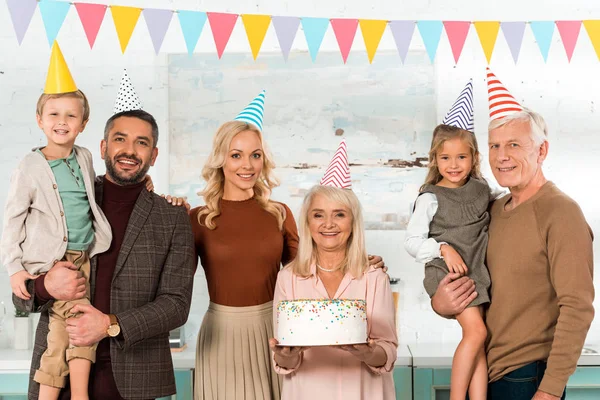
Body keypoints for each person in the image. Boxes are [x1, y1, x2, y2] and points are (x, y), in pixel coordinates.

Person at [190, 92, 385, 400]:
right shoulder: (198, 218)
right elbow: (173, 280)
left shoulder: (278, 213)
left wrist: (359, 260)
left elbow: (310, 267)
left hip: (278, 332)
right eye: (236, 155)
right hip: (221, 335)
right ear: (220, 160)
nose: (248, 165)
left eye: (255, 155)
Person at [431, 69, 594, 400]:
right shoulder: (489, 209)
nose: (502, 156)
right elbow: (471, 284)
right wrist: (441, 303)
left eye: (514, 145)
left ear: (542, 151)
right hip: (486, 374)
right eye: (494, 146)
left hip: (527, 377)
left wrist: (549, 391)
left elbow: (577, 306)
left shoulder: (560, 212)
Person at [13, 108, 196, 400]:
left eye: (141, 142)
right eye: (120, 139)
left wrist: (110, 324)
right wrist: (45, 285)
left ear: (154, 154)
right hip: (57, 380)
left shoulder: (172, 218)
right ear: (102, 147)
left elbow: (176, 305)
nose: (129, 150)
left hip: (134, 382)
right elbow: (20, 298)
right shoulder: (61, 200)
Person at [2, 42, 143, 400]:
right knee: (69, 324)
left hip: (85, 255)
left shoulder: (82, 157)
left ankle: (76, 394)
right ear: (39, 120)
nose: (61, 122)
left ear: (83, 124)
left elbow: (89, 193)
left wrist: (145, 184)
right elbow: (12, 219)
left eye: (70, 115)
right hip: (54, 259)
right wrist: (15, 268)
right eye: (53, 114)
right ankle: (75, 395)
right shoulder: (31, 166)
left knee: (76, 324)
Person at [268, 140, 397, 400]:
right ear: (308, 222)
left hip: (364, 391)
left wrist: (366, 352)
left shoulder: (374, 277)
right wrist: (284, 354)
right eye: (318, 215)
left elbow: (388, 350)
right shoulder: (289, 278)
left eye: (339, 214)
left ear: (352, 221)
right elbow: (285, 361)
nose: (328, 224)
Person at [404, 81, 501, 400]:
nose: (454, 165)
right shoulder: (430, 197)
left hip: (475, 271)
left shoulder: (480, 188)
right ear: (435, 159)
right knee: (477, 331)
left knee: (478, 340)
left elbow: (495, 207)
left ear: (473, 157)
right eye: (446, 158)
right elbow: (413, 241)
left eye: (462, 157)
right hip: (448, 272)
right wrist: (442, 248)